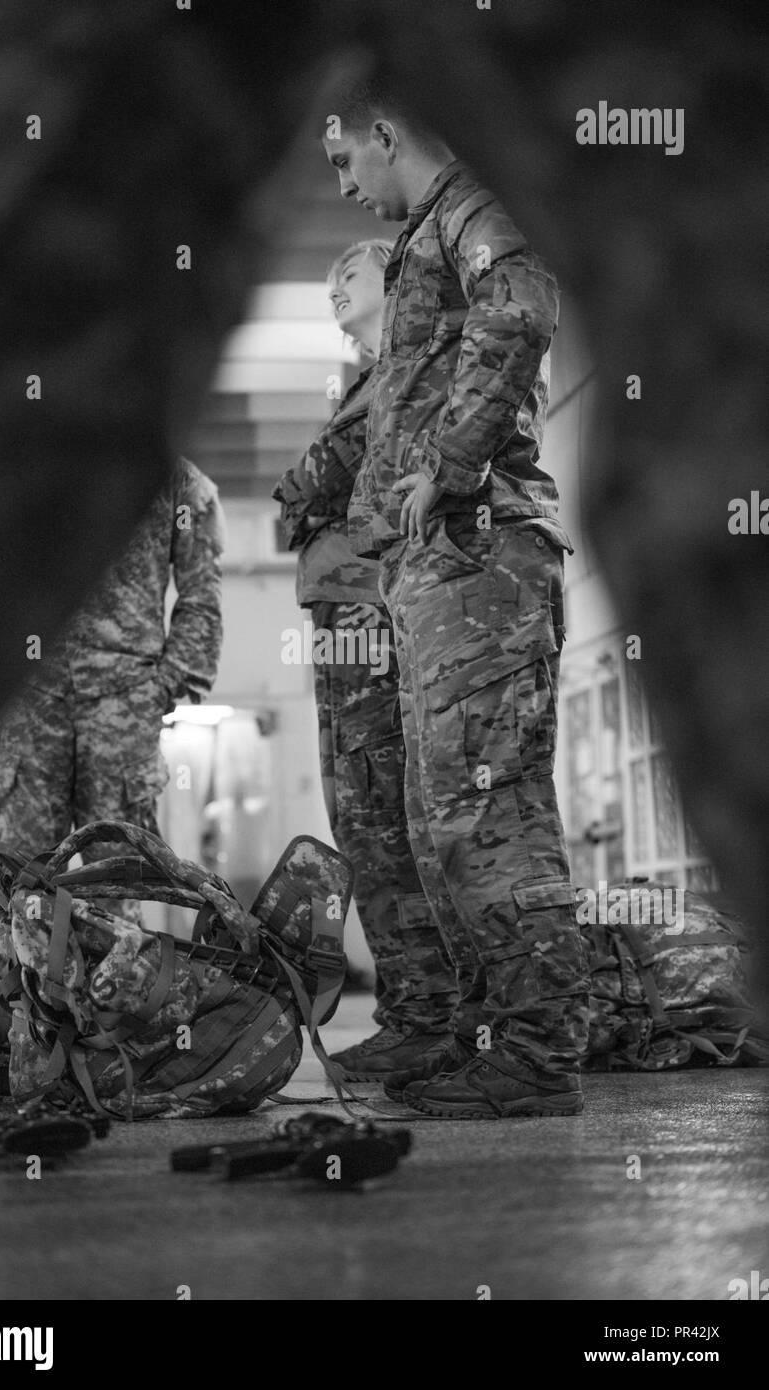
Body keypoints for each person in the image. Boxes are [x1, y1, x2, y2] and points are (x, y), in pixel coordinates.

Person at [320, 79, 590, 1117]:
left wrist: (452, 464)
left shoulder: (473, 208)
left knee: (491, 807)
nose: (344, 186)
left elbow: (521, 303)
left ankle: (537, 1051)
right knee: (445, 818)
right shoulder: (426, 235)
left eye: (347, 161)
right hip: (440, 572)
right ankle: (485, 1034)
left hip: (483, 554)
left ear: (388, 134)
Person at [273, 240, 457, 1079]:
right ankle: (416, 1009)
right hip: (343, 615)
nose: (332, 286)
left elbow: (313, 486)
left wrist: (310, 490)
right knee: (362, 812)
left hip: (372, 611)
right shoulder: (364, 383)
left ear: (390, 279)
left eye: (346, 271)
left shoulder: (406, 371)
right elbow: (302, 499)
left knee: (381, 810)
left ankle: (427, 1016)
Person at [0, 459, 225, 919]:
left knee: (118, 883)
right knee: (19, 880)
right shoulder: (15, 461)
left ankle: (114, 989)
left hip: (124, 699)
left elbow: (202, 592)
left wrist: (165, 683)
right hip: (32, 697)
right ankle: (19, 991)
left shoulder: (176, 480)